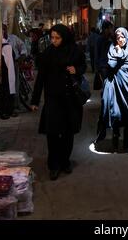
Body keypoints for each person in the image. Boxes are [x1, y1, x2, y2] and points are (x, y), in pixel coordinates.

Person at [30, 24, 86, 180]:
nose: (54, 41)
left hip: (70, 99)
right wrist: (35, 100)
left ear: (65, 37)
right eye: (52, 37)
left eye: (57, 38)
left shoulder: (75, 51)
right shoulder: (48, 54)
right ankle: (53, 165)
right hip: (53, 99)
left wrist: (77, 70)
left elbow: (83, 65)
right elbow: (40, 78)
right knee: (53, 133)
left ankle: (65, 161)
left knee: (68, 133)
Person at [95, 27, 128, 154]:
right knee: (116, 115)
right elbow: (111, 66)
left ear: (127, 37)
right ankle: (115, 144)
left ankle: (127, 144)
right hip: (115, 88)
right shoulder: (111, 49)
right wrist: (118, 53)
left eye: (122, 37)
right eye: (118, 37)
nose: (121, 39)